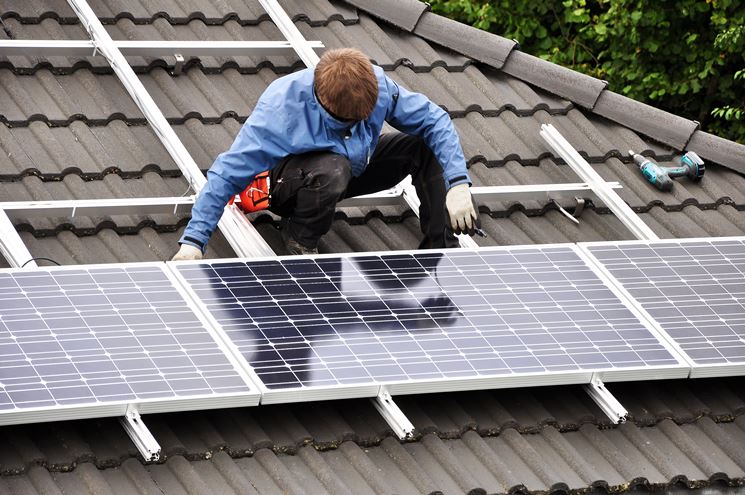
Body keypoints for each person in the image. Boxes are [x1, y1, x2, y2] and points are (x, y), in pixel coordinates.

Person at [172, 48, 480, 261]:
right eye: (348, 122)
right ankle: (300, 238)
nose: (359, 125)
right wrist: (193, 243)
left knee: (422, 147)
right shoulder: (281, 110)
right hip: (290, 184)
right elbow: (226, 174)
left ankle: (441, 253)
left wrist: (458, 183)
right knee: (332, 169)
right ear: (323, 103)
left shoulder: (376, 85)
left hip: (351, 168)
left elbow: (435, 120)